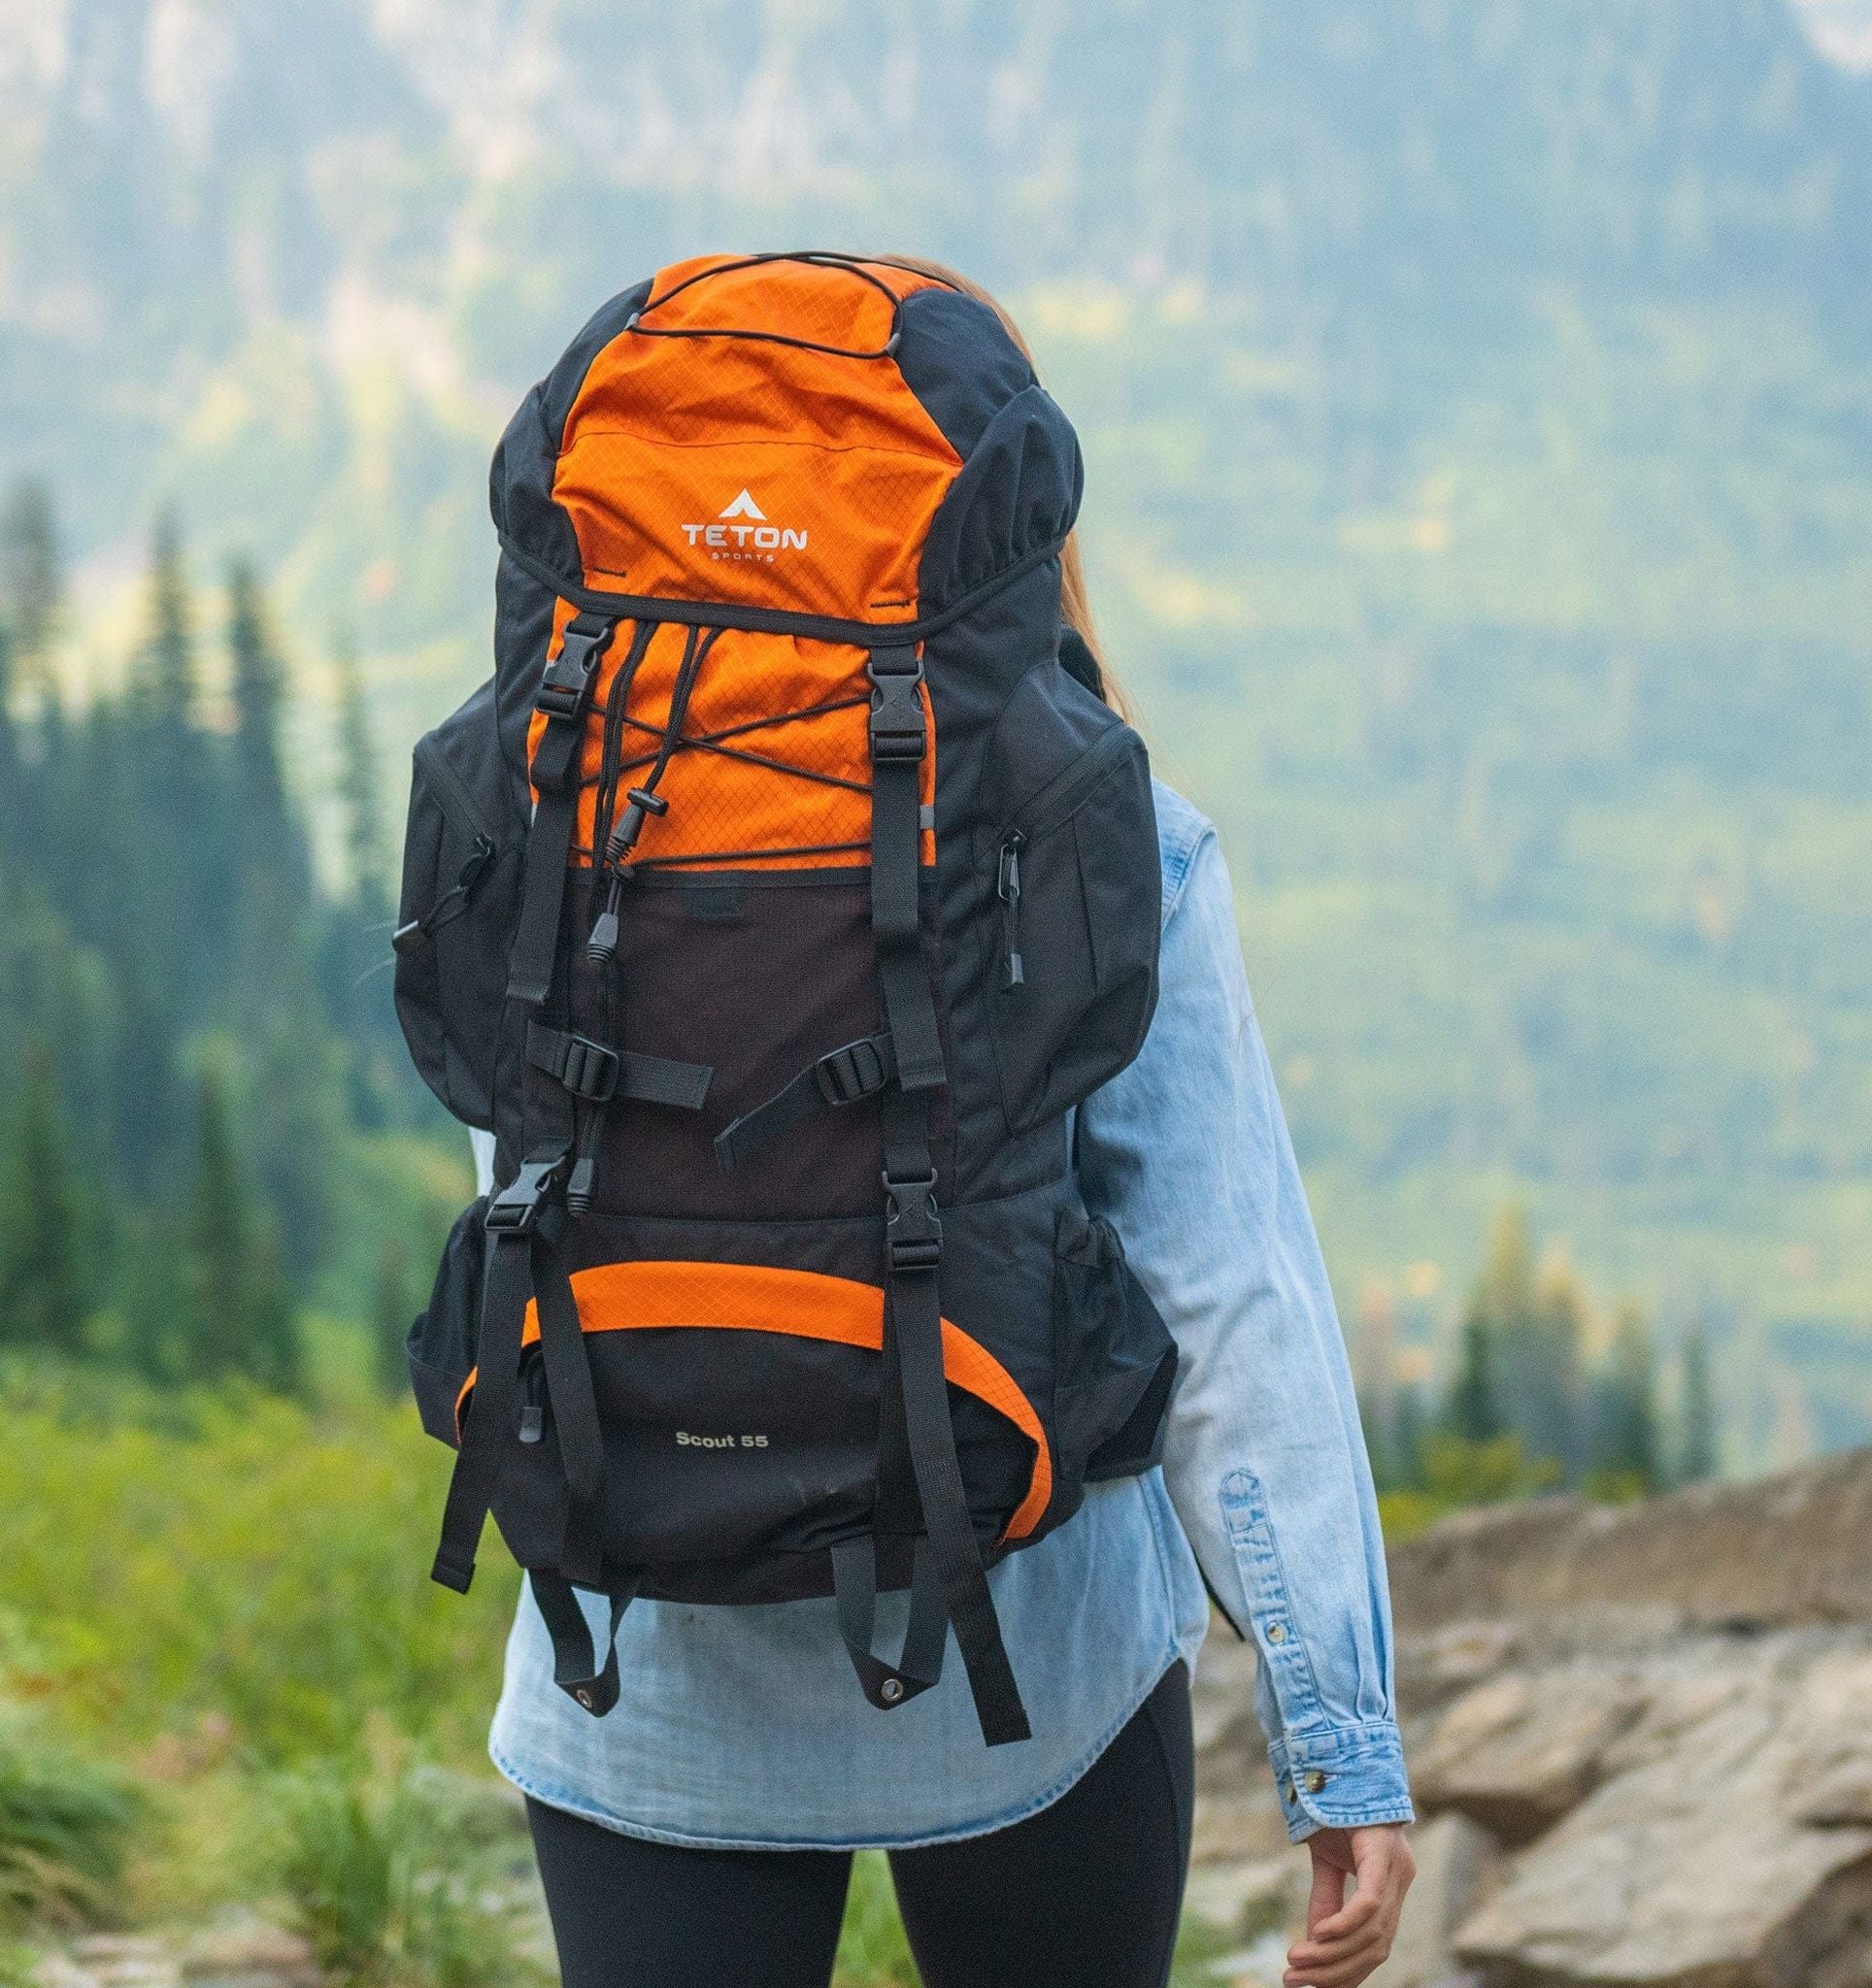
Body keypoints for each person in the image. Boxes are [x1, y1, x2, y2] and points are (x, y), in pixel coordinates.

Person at [471, 260, 1415, 1988]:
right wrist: (1336, 1731)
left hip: (642, 1659)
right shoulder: (1117, 843)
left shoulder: (550, 819)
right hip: (1024, 1677)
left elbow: (524, 1186)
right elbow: (1229, 1300)